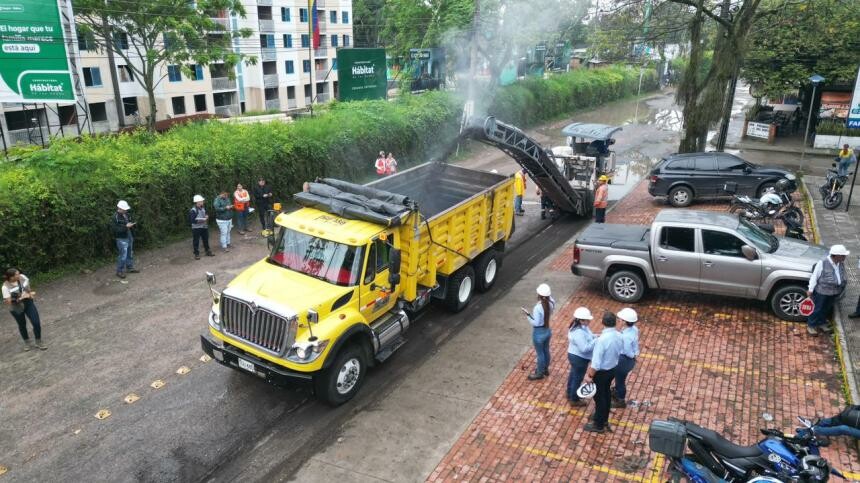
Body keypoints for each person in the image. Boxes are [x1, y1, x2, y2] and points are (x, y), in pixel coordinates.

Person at [583, 312, 622, 433]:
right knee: (606, 394)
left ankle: (598, 425)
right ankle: (604, 419)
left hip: (601, 373)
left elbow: (596, 363)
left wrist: (589, 375)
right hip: (612, 369)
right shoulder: (619, 335)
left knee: (600, 398)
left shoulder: (601, 340)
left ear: (602, 323)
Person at [806, 244, 849, 335]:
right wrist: (810, 289)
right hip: (822, 292)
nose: (845, 257)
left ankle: (821, 323)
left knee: (826, 309)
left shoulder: (840, 263)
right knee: (817, 309)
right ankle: (811, 325)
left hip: (834, 292)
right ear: (836, 255)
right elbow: (814, 276)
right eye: (843, 255)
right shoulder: (822, 263)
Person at [3, 268, 46, 351]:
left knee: (36, 322)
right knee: (22, 325)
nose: (19, 275)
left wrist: (30, 293)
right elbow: (8, 301)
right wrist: (21, 297)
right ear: (11, 277)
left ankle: (38, 341)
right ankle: (27, 343)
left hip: (28, 303)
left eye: (18, 273)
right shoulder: (5, 287)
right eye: (17, 274)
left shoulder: (22, 277)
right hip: (16, 307)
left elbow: (27, 286)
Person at [567, 307, 595, 407]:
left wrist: (596, 336)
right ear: (581, 320)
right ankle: (574, 399)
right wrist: (596, 341)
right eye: (587, 320)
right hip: (579, 358)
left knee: (573, 374)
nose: (589, 321)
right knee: (577, 378)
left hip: (575, 356)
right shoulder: (578, 332)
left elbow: (589, 336)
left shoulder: (581, 326)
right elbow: (584, 348)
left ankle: (569, 392)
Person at [612, 308, 640, 409]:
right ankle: (617, 393)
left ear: (624, 321)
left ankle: (620, 400)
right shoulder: (634, 329)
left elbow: (627, 351)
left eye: (620, 319)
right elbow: (635, 345)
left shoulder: (626, 336)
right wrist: (636, 354)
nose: (618, 319)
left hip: (624, 360)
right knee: (620, 379)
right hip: (628, 360)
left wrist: (633, 356)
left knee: (620, 381)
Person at [526, 283, 555, 380]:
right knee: (546, 350)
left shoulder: (537, 308)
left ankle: (539, 373)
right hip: (547, 330)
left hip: (539, 333)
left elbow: (536, 323)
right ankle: (545, 369)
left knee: (540, 354)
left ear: (539, 294)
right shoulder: (551, 302)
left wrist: (528, 316)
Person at [112, 200, 139, 279]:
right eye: (124, 209)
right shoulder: (115, 217)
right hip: (121, 238)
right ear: (119, 208)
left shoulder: (127, 214)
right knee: (123, 255)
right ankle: (119, 271)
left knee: (130, 252)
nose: (126, 210)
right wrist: (126, 227)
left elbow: (130, 222)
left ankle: (129, 267)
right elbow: (115, 230)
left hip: (129, 235)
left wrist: (132, 224)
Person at [189, 195, 214, 260]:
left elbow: (206, 213)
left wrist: (207, 216)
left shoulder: (203, 207)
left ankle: (207, 251)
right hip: (196, 228)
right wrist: (202, 220)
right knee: (196, 241)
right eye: (202, 201)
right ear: (198, 202)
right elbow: (193, 221)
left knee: (206, 239)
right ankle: (196, 254)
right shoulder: (193, 210)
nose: (203, 201)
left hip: (204, 227)